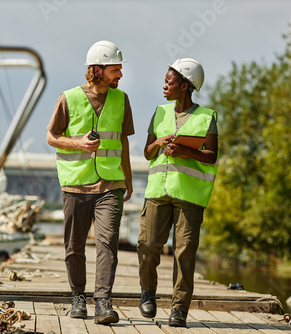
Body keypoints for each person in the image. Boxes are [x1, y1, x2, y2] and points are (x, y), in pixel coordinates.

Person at [46, 40, 134, 325]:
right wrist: (78, 144)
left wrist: (127, 178)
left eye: (120, 70)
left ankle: (103, 302)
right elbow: (51, 137)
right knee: (74, 246)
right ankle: (77, 296)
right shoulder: (68, 98)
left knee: (107, 242)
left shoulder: (122, 100)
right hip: (76, 183)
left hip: (111, 183)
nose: (120, 75)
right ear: (97, 69)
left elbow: (122, 141)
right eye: (115, 69)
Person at [137, 58, 218, 327]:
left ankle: (178, 309)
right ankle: (147, 293)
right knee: (147, 246)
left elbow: (211, 155)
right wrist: (158, 143)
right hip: (157, 193)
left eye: (169, 82)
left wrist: (185, 151)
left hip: (189, 197)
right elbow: (147, 153)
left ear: (185, 86)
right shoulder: (160, 113)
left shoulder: (206, 116)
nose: (164, 86)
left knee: (184, 253)